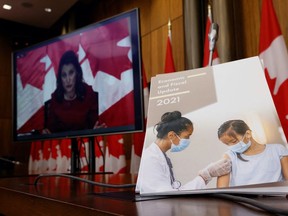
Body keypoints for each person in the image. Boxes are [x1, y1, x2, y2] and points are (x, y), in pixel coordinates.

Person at [136, 111, 232, 193]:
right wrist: (205, 175)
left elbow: (174, 190)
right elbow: (167, 194)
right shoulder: (151, 158)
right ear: (171, 135)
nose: (188, 140)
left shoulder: (161, 156)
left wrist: (205, 175)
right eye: (187, 136)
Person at [43, 50, 106, 133]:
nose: (68, 80)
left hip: (86, 142)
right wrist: (46, 132)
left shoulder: (88, 94)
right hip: (62, 144)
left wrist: (95, 130)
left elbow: (94, 125)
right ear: (60, 78)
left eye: (71, 73)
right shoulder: (55, 98)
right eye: (64, 75)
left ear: (77, 73)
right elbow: (50, 130)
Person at [217, 119, 288, 188]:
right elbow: (221, 190)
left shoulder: (277, 150)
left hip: (276, 197)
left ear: (248, 134)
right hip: (244, 199)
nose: (231, 146)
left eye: (233, 141)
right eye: (227, 144)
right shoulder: (229, 156)